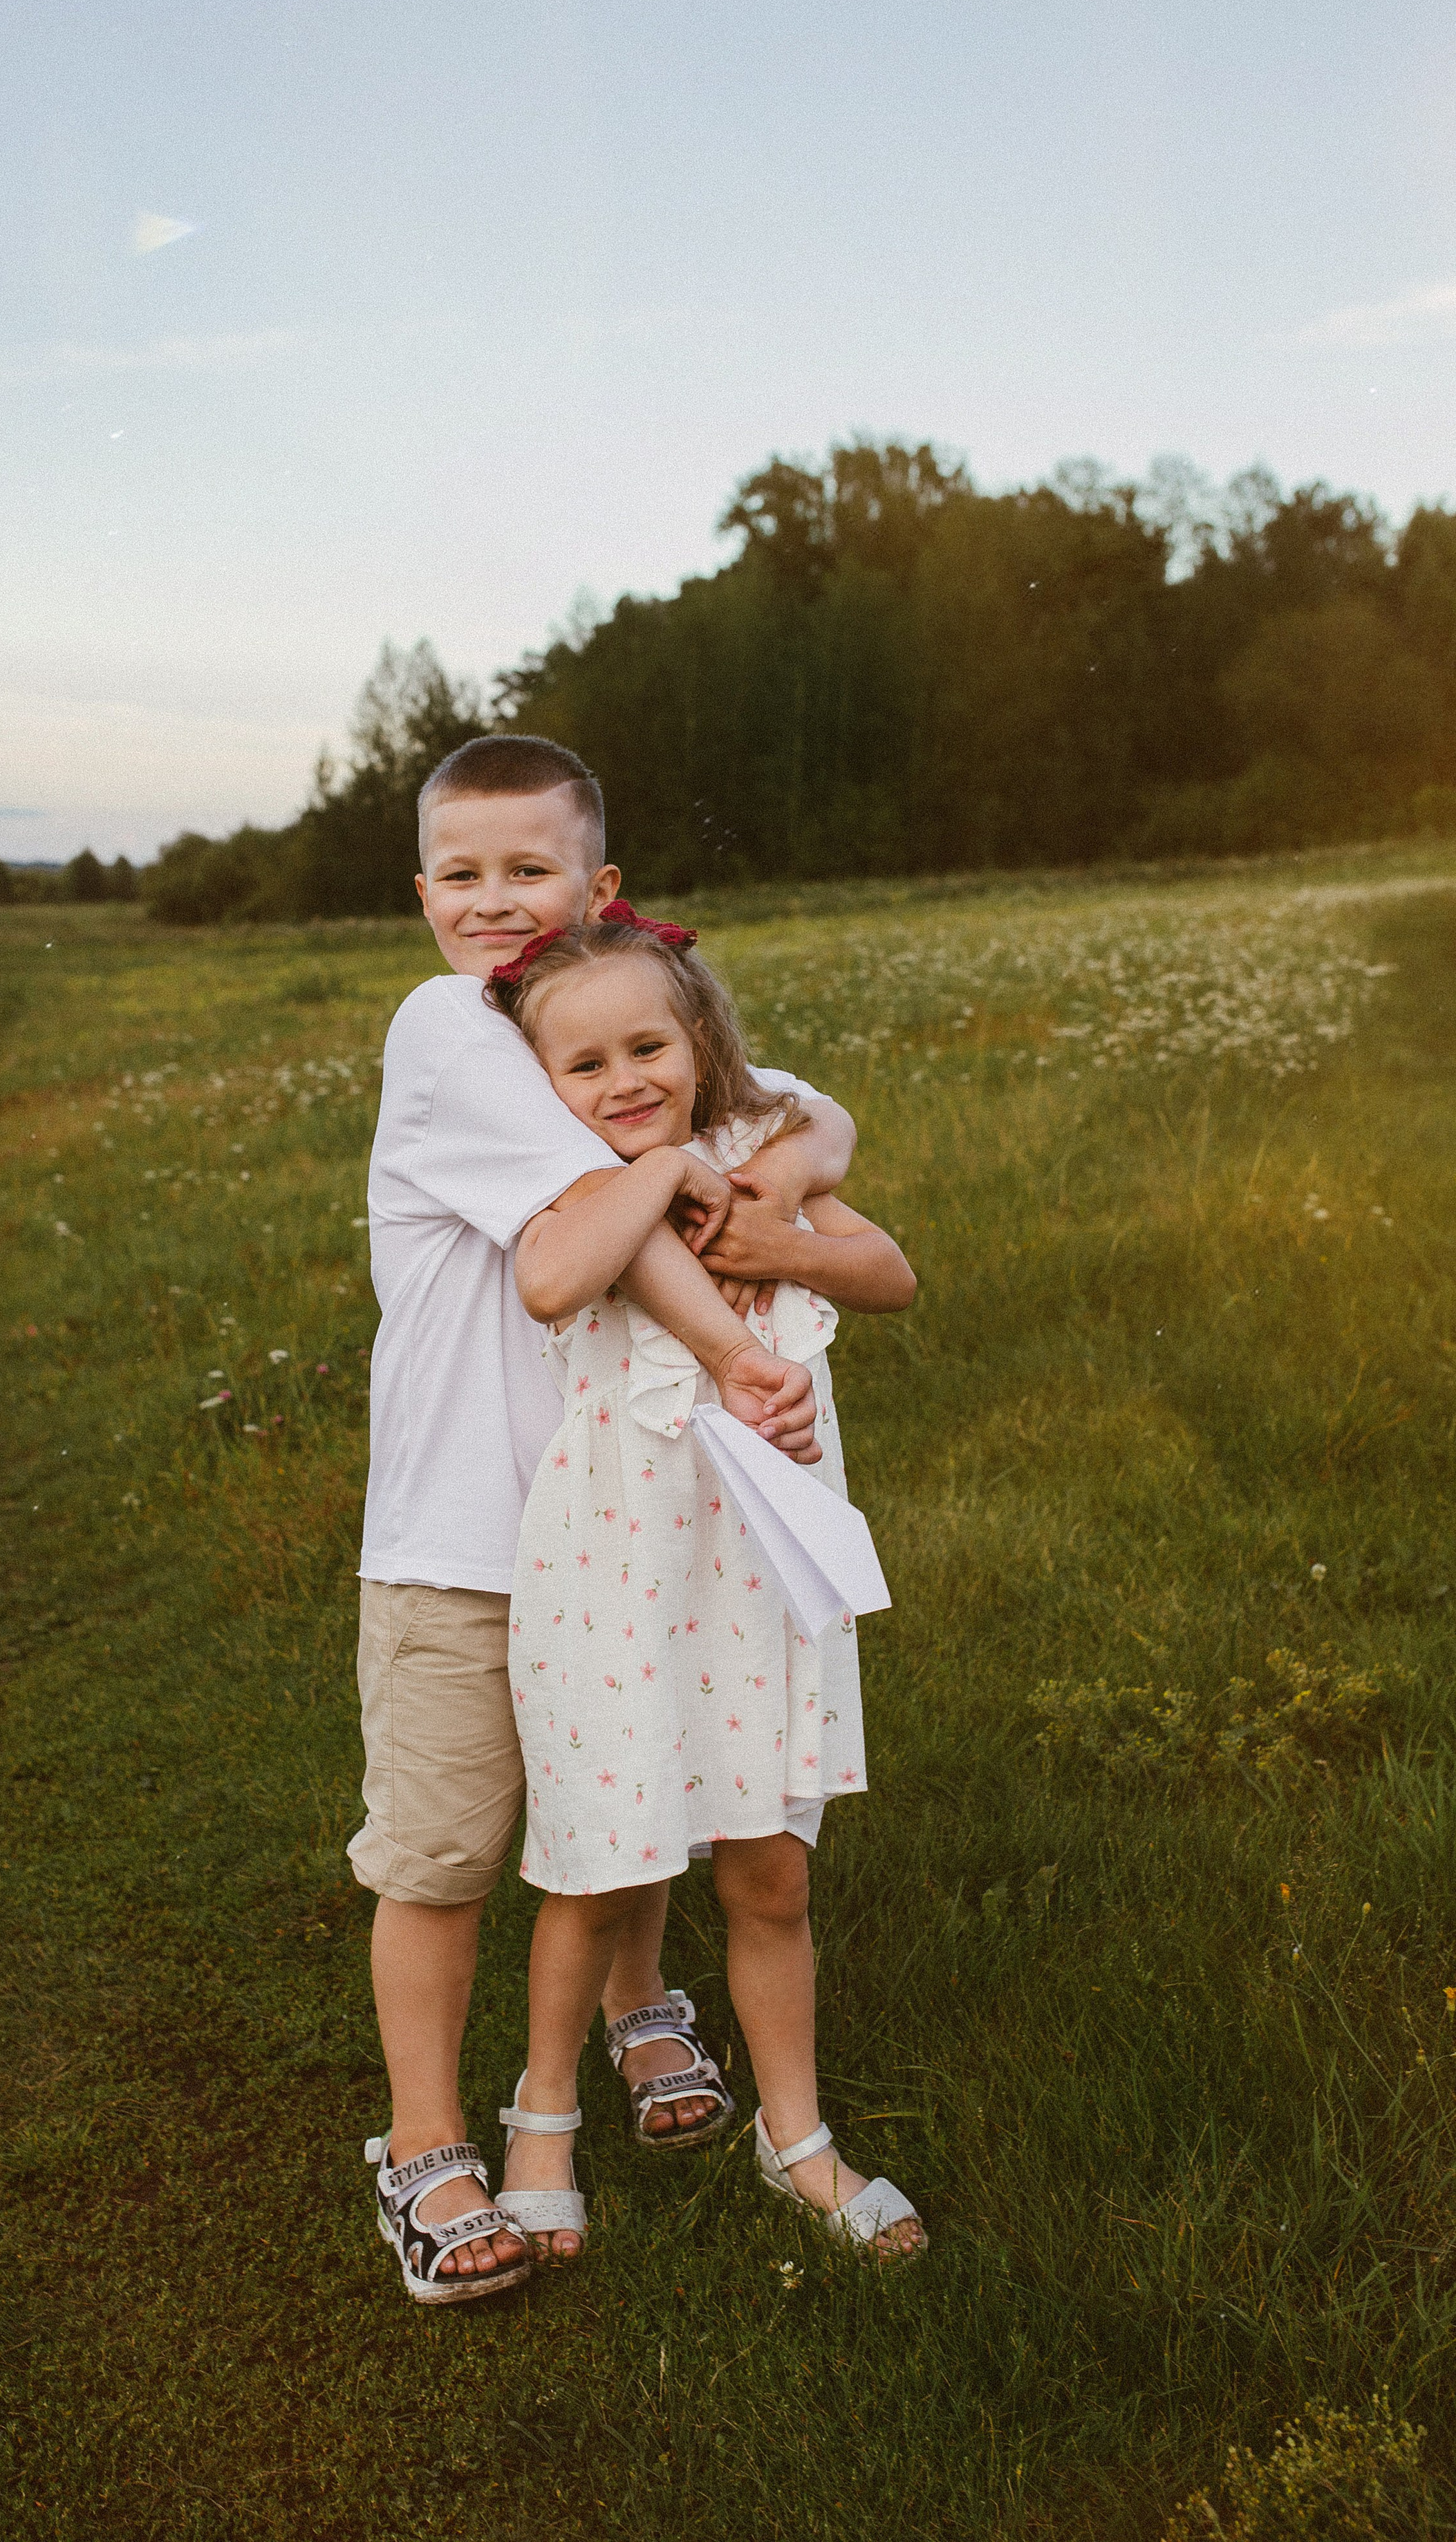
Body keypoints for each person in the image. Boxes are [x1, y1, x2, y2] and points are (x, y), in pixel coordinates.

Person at [352, 734, 862, 2304]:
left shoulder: (575, 1021)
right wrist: (736, 1350)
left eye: (531, 872)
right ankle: (426, 2147)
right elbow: (598, 1225)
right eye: (462, 874)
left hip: (616, 1519)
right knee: (442, 1850)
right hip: (458, 1528)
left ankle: (642, 2006)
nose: (496, 905)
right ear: (421, 892)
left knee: (624, 1779)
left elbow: (797, 1108)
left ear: (601, 895)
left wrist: (797, 1155)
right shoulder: (451, 1029)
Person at [481, 906, 928, 2268]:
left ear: (698, 1040)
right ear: (541, 1089)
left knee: (771, 1875)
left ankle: (793, 2137)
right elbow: (554, 1286)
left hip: (759, 1569)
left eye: (647, 1046)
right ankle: (539, 2121)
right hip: (617, 1570)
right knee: (596, 1868)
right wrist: (664, 1170)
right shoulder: (576, 1188)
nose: (621, 1080)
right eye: (584, 1064)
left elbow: (889, 1272)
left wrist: (779, 1232)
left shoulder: (753, 1169)